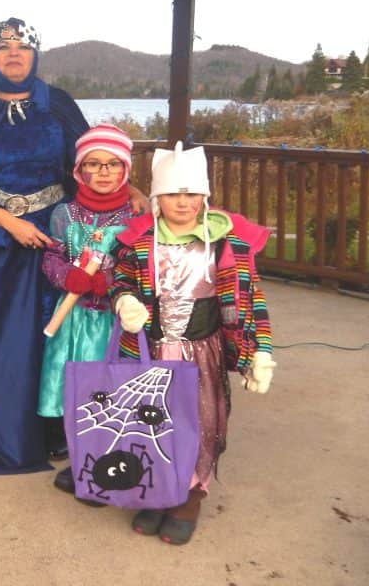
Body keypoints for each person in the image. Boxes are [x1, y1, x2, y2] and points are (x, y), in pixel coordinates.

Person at [111, 141, 276, 545]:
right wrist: (124, 300)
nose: (182, 203)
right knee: (150, 424)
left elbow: (249, 299)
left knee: (197, 422)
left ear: (204, 196)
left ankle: (189, 494)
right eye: (172, 194)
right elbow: (120, 281)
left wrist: (262, 353)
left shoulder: (226, 243)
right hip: (149, 353)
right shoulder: (138, 241)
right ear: (156, 198)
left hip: (202, 352)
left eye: (191, 194)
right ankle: (156, 489)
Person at [0, 17, 90, 475]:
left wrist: (128, 193)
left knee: (52, 337)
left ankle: (52, 432)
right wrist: (9, 221)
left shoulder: (58, 104)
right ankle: (7, 441)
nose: (13, 54)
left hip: (54, 236)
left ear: (35, 56)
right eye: (4, 47)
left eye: (22, 48)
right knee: (0, 342)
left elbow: (88, 164)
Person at [38, 124, 137, 495]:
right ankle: (80, 452)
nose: (104, 172)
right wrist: (67, 276)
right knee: (71, 383)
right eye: (93, 164)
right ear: (79, 170)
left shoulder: (136, 218)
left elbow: (141, 268)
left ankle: (106, 459)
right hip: (72, 320)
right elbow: (51, 256)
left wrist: (107, 282)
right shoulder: (65, 214)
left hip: (113, 322)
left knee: (107, 388)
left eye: (113, 164)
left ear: (125, 170)